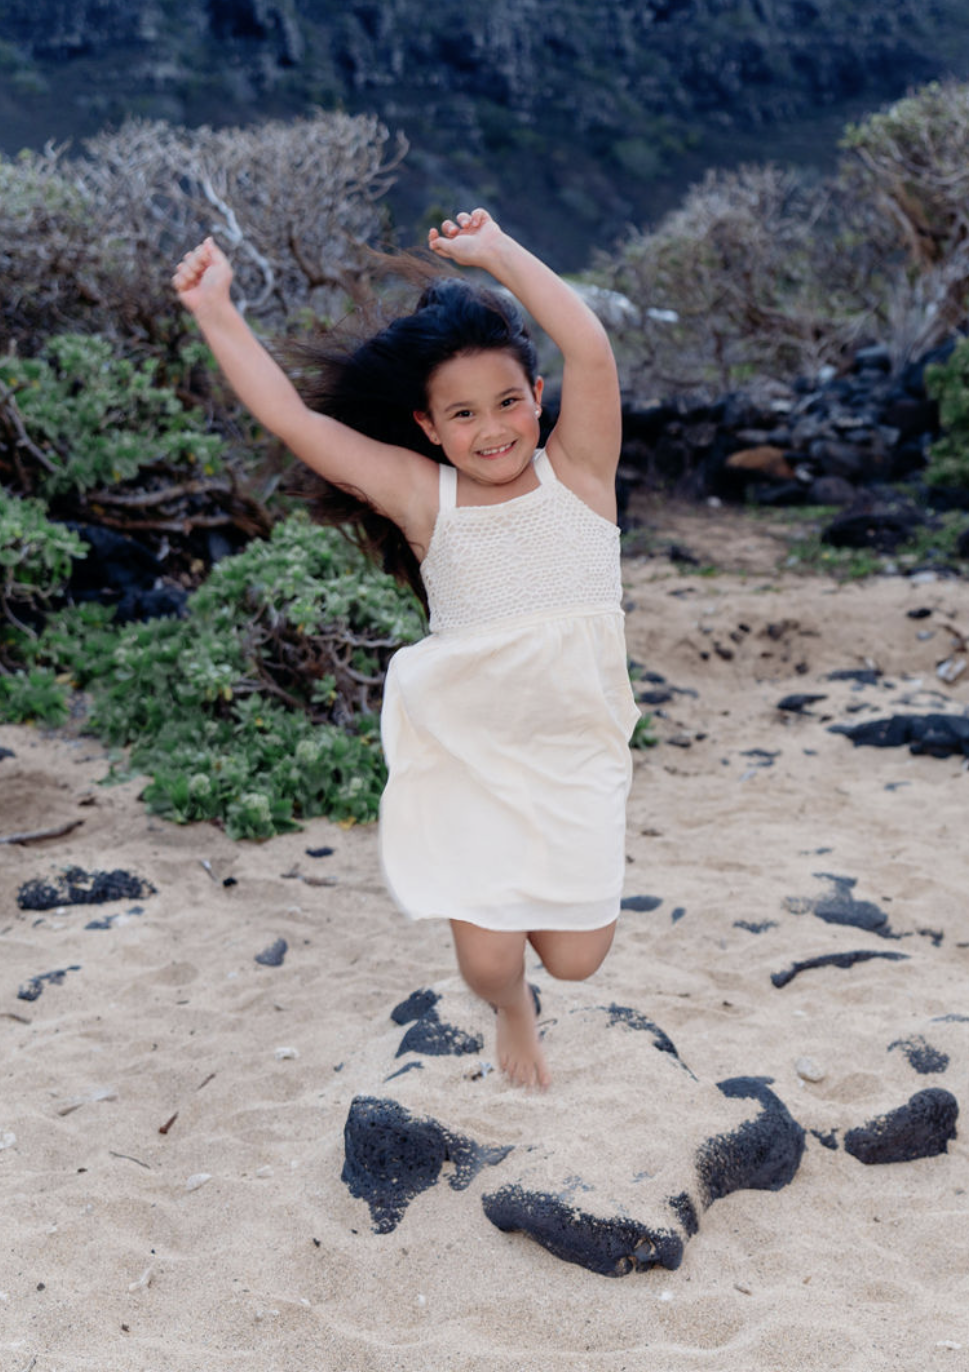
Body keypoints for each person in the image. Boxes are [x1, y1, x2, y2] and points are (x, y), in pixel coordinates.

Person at [171, 209, 637, 1090]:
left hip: (576, 754)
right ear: (428, 427)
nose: (492, 427)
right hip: (467, 759)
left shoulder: (579, 473)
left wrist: (500, 252)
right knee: (492, 965)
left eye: (508, 402)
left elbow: (592, 348)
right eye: (463, 414)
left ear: (537, 399)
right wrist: (217, 311)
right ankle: (510, 1010)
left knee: (577, 959)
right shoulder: (428, 499)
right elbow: (293, 422)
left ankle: (538, 975)